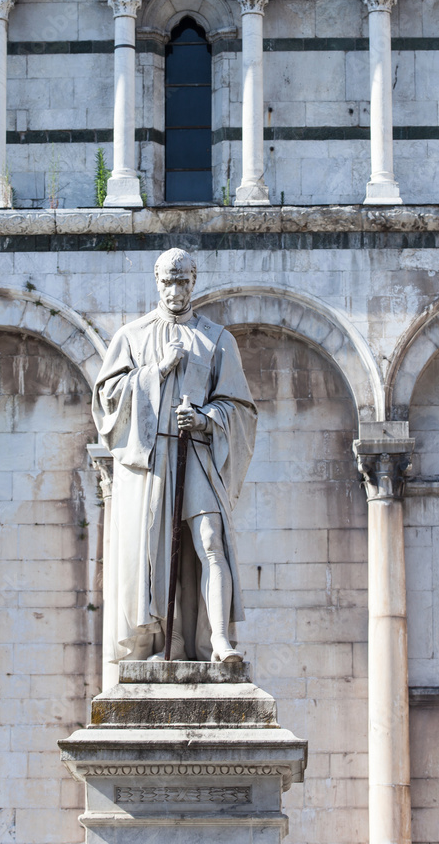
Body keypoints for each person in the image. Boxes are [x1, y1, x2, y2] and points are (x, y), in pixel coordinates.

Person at [92, 248, 257, 666]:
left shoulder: (217, 339)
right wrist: (157, 372)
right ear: (156, 281)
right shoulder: (131, 337)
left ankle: (219, 642)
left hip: (197, 452)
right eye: (168, 281)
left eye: (183, 280)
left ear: (194, 282)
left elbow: (240, 407)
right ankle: (172, 641)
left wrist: (205, 418)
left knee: (209, 541)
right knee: (159, 551)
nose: (175, 289)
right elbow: (107, 401)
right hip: (152, 462)